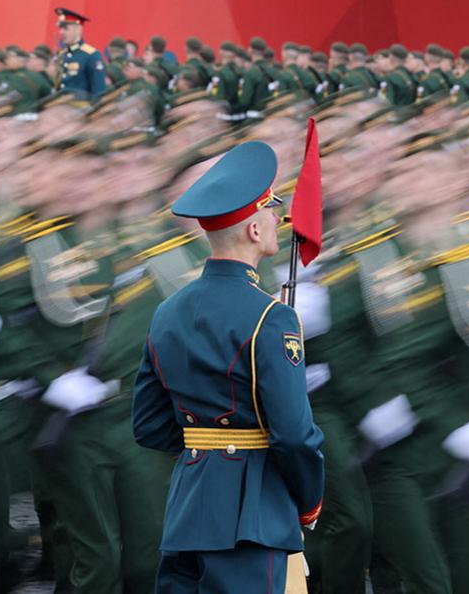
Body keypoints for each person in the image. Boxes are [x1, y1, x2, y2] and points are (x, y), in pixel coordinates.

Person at [133, 140, 325, 593]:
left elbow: (149, 425)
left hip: (187, 512)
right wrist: (309, 502)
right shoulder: (273, 318)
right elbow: (294, 435)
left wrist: (209, 451)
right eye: (271, 212)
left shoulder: (168, 312)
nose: (280, 219)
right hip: (255, 519)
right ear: (254, 231)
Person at [53, 7, 106, 100]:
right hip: (60, 105)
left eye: (66, 28)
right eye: (60, 28)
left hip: (81, 107)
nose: (61, 32)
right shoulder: (62, 54)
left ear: (78, 30)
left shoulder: (91, 55)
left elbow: (98, 91)